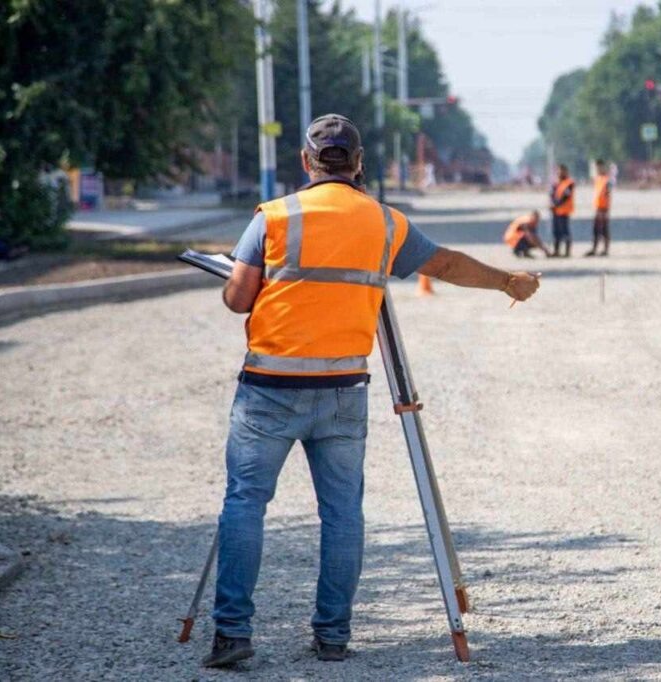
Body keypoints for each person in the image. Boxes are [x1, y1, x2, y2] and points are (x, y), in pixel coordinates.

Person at [204, 114, 540, 668]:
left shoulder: (274, 217)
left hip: (269, 386)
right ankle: (332, 636)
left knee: (245, 505)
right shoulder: (385, 223)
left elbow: (239, 299)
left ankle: (232, 636)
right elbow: (448, 264)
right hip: (342, 389)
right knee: (342, 514)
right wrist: (508, 280)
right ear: (359, 164)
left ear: (305, 162)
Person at [585, 159, 611, 257]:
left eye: (599, 167)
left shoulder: (607, 179)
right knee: (596, 229)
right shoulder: (598, 178)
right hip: (598, 207)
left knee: (604, 229)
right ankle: (594, 249)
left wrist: (606, 210)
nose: (598, 169)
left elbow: (608, 195)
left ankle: (605, 249)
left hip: (603, 208)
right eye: (597, 168)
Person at [548, 164, 575, 257]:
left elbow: (565, 196)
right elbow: (552, 195)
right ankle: (556, 251)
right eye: (558, 171)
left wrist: (555, 204)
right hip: (555, 211)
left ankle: (567, 252)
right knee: (556, 232)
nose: (560, 173)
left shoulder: (569, 183)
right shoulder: (555, 183)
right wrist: (552, 203)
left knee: (565, 232)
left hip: (564, 211)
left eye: (562, 171)